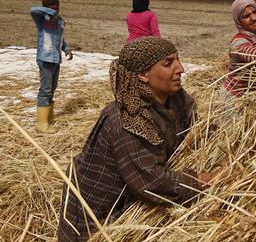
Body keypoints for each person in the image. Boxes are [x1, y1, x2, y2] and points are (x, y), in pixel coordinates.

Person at [57, 37, 223, 242]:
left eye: (178, 59)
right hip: (100, 222)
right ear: (143, 74)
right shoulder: (127, 119)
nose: (181, 68)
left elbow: (201, 130)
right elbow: (152, 181)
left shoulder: (174, 98)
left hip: (129, 206)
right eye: (168, 63)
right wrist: (206, 179)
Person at [30, 0, 73, 134]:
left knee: (52, 88)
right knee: (45, 90)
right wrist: (50, 12)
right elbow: (33, 10)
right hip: (45, 59)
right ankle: (41, 124)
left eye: (57, 9)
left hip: (56, 59)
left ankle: (48, 118)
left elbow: (59, 39)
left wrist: (66, 49)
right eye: (52, 9)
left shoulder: (60, 21)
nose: (55, 12)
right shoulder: (42, 20)